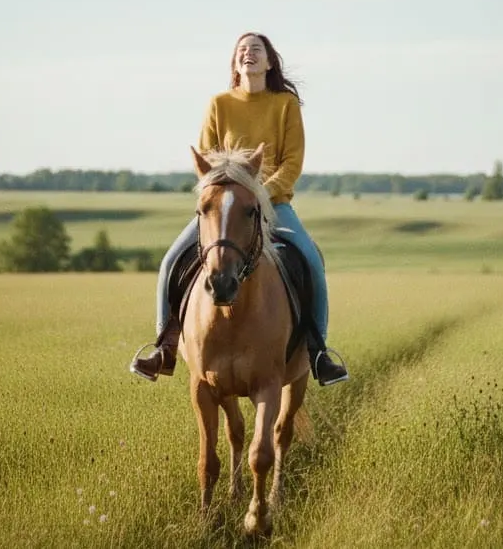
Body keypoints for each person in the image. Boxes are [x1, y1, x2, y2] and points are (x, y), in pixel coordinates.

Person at [129, 32, 349, 387]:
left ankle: (318, 352)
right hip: (224, 209)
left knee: (310, 261)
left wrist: (260, 193)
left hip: (274, 205)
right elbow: (206, 159)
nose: (248, 53)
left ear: (270, 62)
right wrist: (226, 192)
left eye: (256, 49)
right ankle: (164, 348)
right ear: (235, 62)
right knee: (170, 260)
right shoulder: (219, 104)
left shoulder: (285, 105)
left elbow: (292, 163)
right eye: (242, 50)